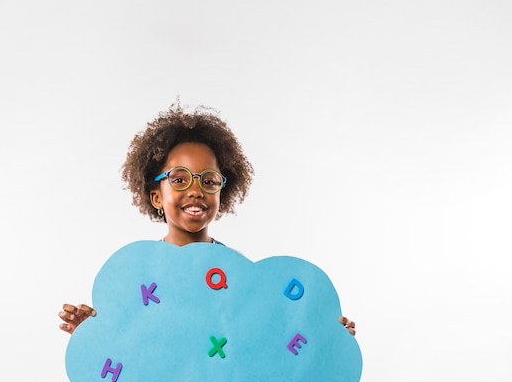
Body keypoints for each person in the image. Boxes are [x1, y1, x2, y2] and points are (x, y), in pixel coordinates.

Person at [58, 102, 356, 336]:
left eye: (209, 181)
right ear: (156, 196)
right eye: (179, 179)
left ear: (222, 192)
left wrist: (326, 336)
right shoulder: (140, 274)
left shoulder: (237, 268)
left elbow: (268, 334)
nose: (196, 191)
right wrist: (91, 334)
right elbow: (127, 342)